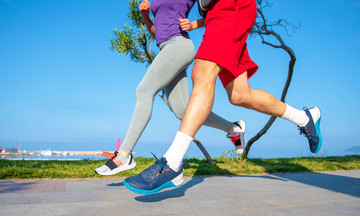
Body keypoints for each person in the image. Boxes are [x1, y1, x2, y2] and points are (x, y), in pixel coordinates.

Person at [124, 0, 322, 194]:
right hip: (219, 16)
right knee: (240, 95)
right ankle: (304, 118)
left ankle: (172, 163)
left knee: (202, 72)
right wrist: (196, 23)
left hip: (232, 8)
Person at [95, 0, 246, 176]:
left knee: (143, 92)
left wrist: (194, 24)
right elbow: (157, 34)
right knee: (183, 111)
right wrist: (146, 16)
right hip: (166, 48)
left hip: (179, 46)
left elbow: (216, 15)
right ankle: (233, 129)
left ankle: (124, 155)